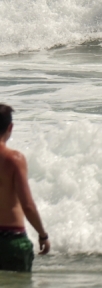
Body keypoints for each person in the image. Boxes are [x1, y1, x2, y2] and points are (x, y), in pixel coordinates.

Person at [0, 104, 50, 272]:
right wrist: (43, 235)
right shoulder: (14, 159)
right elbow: (27, 206)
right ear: (10, 127)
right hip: (11, 242)